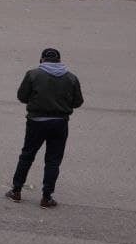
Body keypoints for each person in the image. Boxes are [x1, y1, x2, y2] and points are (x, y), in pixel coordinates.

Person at [5, 48, 84, 208]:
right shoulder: (71, 78)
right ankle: (46, 197)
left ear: (42, 59)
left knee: (27, 155)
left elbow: (22, 96)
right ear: (59, 61)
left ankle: (16, 191)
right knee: (53, 160)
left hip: (36, 121)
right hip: (60, 122)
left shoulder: (33, 74)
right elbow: (78, 102)